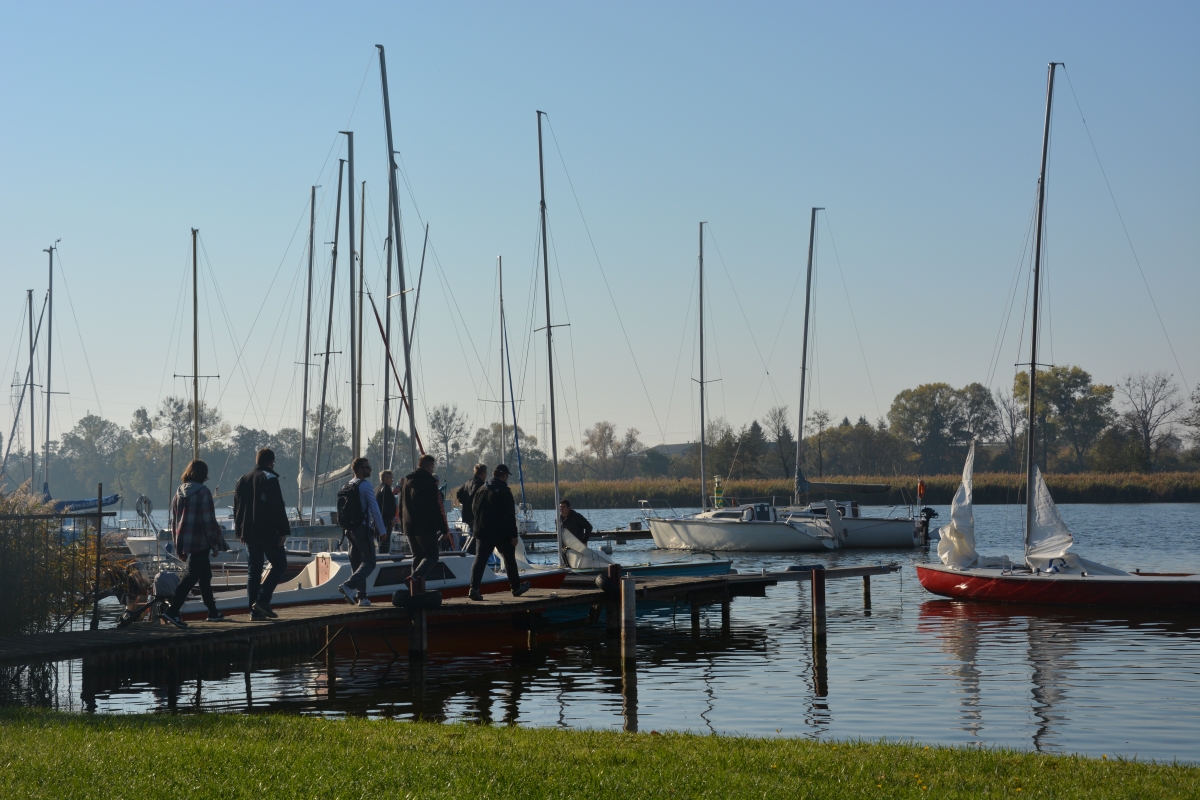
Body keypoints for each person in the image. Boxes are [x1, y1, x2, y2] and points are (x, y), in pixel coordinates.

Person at [162, 460, 228, 628]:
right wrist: (214, 545)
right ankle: (173, 610)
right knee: (192, 576)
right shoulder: (204, 492)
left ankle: (212, 611)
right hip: (201, 541)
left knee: (205, 576)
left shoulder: (178, 493)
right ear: (203, 474)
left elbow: (174, 523)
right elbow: (209, 521)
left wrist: (178, 547)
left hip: (185, 541)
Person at [233, 448, 291, 620]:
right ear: (271, 462)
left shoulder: (242, 479)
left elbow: (237, 507)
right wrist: (282, 531)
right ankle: (263, 599)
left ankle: (254, 612)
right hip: (267, 530)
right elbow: (277, 506)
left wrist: (240, 531)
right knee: (280, 564)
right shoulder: (269, 478)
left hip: (248, 532)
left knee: (254, 571)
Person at [468, 464, 530, 601]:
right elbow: (509, 515)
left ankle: (473, 588)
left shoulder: (481, 489)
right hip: (500, 532)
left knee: (480, 559)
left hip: (482, 531)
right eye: (507, 476)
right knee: (509, 559)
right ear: (504, 476)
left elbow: (474, 509)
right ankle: (516, 587)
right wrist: (513, 535)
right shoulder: (504, 490)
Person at [339, 457, 388, 606]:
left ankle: (362, 597)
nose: (370, 469)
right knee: (370, 562)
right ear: (360, 470)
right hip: (362, 528)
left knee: (357, 563)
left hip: (349, 529)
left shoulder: (348, 484)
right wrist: (382, 530)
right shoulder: (365, 485)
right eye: (367, 467)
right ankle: (349, 586)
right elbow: (375, 509)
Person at [401, 453, 450, 581]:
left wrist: (403, 525)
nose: (433, 469)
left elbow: (402, 505)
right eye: (433, 467)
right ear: (428, 466)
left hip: (409, 526)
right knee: (432, 556)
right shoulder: (429, 482)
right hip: (425, 527)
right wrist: (444, 529)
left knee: (417, 557)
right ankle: (414, 578)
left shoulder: (407, 481)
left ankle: (415, 588)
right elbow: (435, 508)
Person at [455, 463, 487, 553]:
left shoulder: (468, 482)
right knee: (475, 539)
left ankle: (469, 553)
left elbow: (458, 493)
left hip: (467, 515)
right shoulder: (479, 484)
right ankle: (471, 555)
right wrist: (472, 506)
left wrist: (465, 503)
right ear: (483, 473)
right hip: (475, 516)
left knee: (471, 535)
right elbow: (474, 496)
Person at [375, 469, 398, 554]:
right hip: (386, 522)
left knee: (380, 543)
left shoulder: (377, 489)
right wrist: (391, 519)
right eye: (391, 478)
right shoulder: (386, 489)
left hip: (378, 521)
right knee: (385, 545)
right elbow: (387, 506)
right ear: (387, 479)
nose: (392, 480)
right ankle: (384, 558)